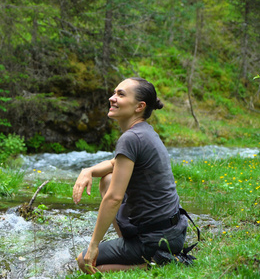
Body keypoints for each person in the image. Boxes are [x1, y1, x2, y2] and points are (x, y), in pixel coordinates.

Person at [72, 77, 188, 274]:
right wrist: (88, 171)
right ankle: (136, 247)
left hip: (155, 239)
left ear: (139, 106)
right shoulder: (144, 132)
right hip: (174, 232)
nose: (112, 98)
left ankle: (154, 263)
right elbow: (113, 164)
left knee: (85, 262)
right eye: (114, 92)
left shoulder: (131, 138)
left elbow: (114, 198)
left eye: (121, 94)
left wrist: (94, 245)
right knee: (107, 179)